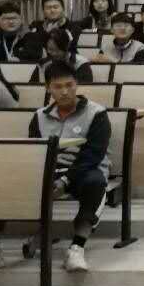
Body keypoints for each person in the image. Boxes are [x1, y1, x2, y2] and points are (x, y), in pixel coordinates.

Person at [27, 61, 113, 272]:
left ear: (77, 84)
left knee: (96, 183)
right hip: (51, 170)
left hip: (85, 169)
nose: (65, 91)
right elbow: (34, 153)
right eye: (58, 87)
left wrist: (65, 181)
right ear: (48, 88)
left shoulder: (97, 113)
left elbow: (93, 155)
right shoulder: (39, 116)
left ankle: (77, 248)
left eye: (69, 85)